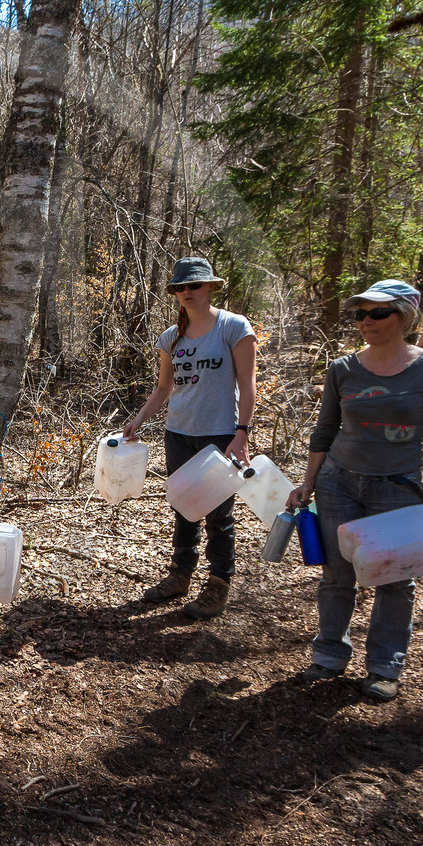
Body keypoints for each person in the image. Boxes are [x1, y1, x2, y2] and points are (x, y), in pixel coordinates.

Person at [286, 280, 423, 702]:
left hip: (398, 487)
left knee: (395, 577)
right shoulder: (343, 368)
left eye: (378, 313)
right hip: (339, 483)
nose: (366, 321)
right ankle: (329, 654)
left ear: (406, 316)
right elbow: (325, 430)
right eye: (360, 314)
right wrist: (308, 482)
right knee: (337, 574)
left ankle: (385, 666)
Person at [122, 257, 256, 620]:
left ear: (211, 287)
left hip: (220, 434)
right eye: (180, 287)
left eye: (194, 285)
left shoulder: (233, 326)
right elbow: (163, 388)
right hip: (179, 433)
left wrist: (241, 433)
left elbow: (247, 385)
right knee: (183, 504)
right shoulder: (171, 336)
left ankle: (218, 583)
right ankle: (180, 575)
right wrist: (137, 420)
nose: (186, 293)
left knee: (218, 513)